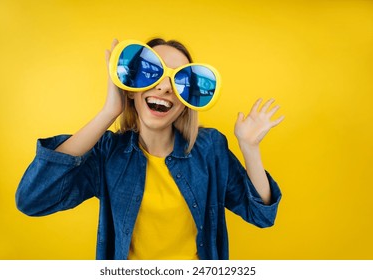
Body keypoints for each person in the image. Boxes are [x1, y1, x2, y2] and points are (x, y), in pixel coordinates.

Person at [16, 37, 284, 260]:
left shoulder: (210, 148)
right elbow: (33, 199)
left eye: (180, 81)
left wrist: (250, 148)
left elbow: (261, 215)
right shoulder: (108, 154)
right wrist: (110, 110)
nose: (165, 87)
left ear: (187, 101)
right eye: (152, 72)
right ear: (131, 89)